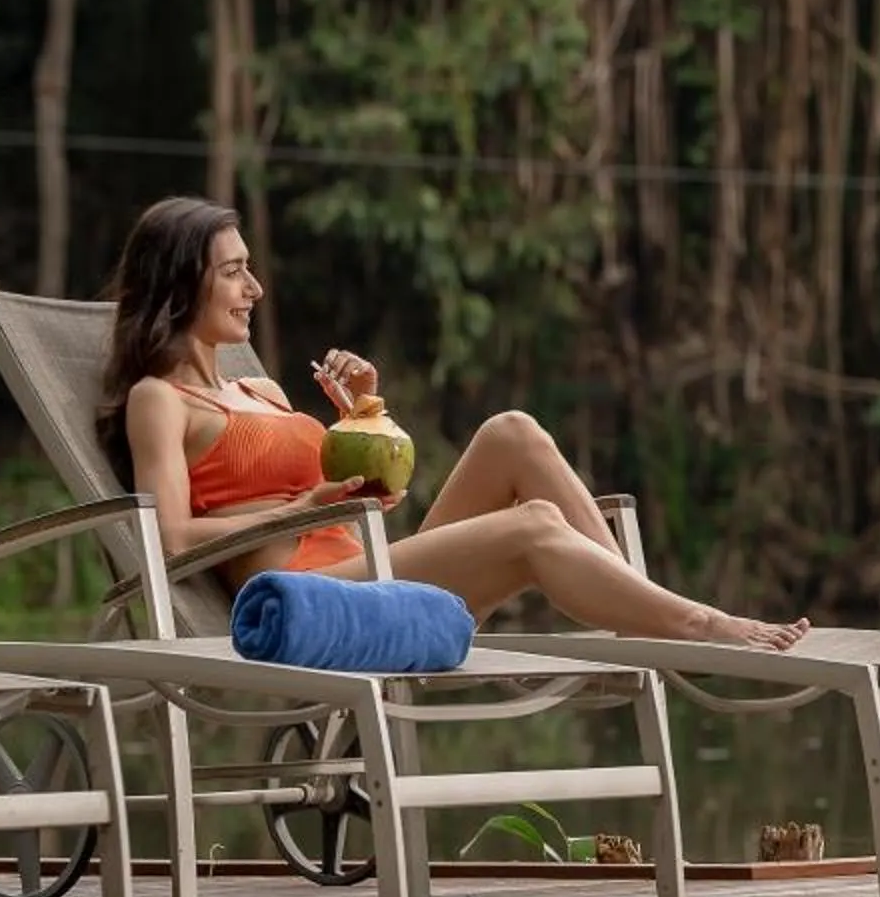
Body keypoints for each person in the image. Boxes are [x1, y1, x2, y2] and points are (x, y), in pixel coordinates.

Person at [95, 195, 806, 649]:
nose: (255, 289)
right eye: (234, 271)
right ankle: (694, 623)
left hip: (369, 565)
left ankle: (634, 615)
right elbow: (172, 538)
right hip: (317, 596)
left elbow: (374, 500)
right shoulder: (160, 399)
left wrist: (366, 417)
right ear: (183, 280)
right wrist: (302, 508)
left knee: (513, 431)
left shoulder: (262, 388)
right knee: (533, 524)